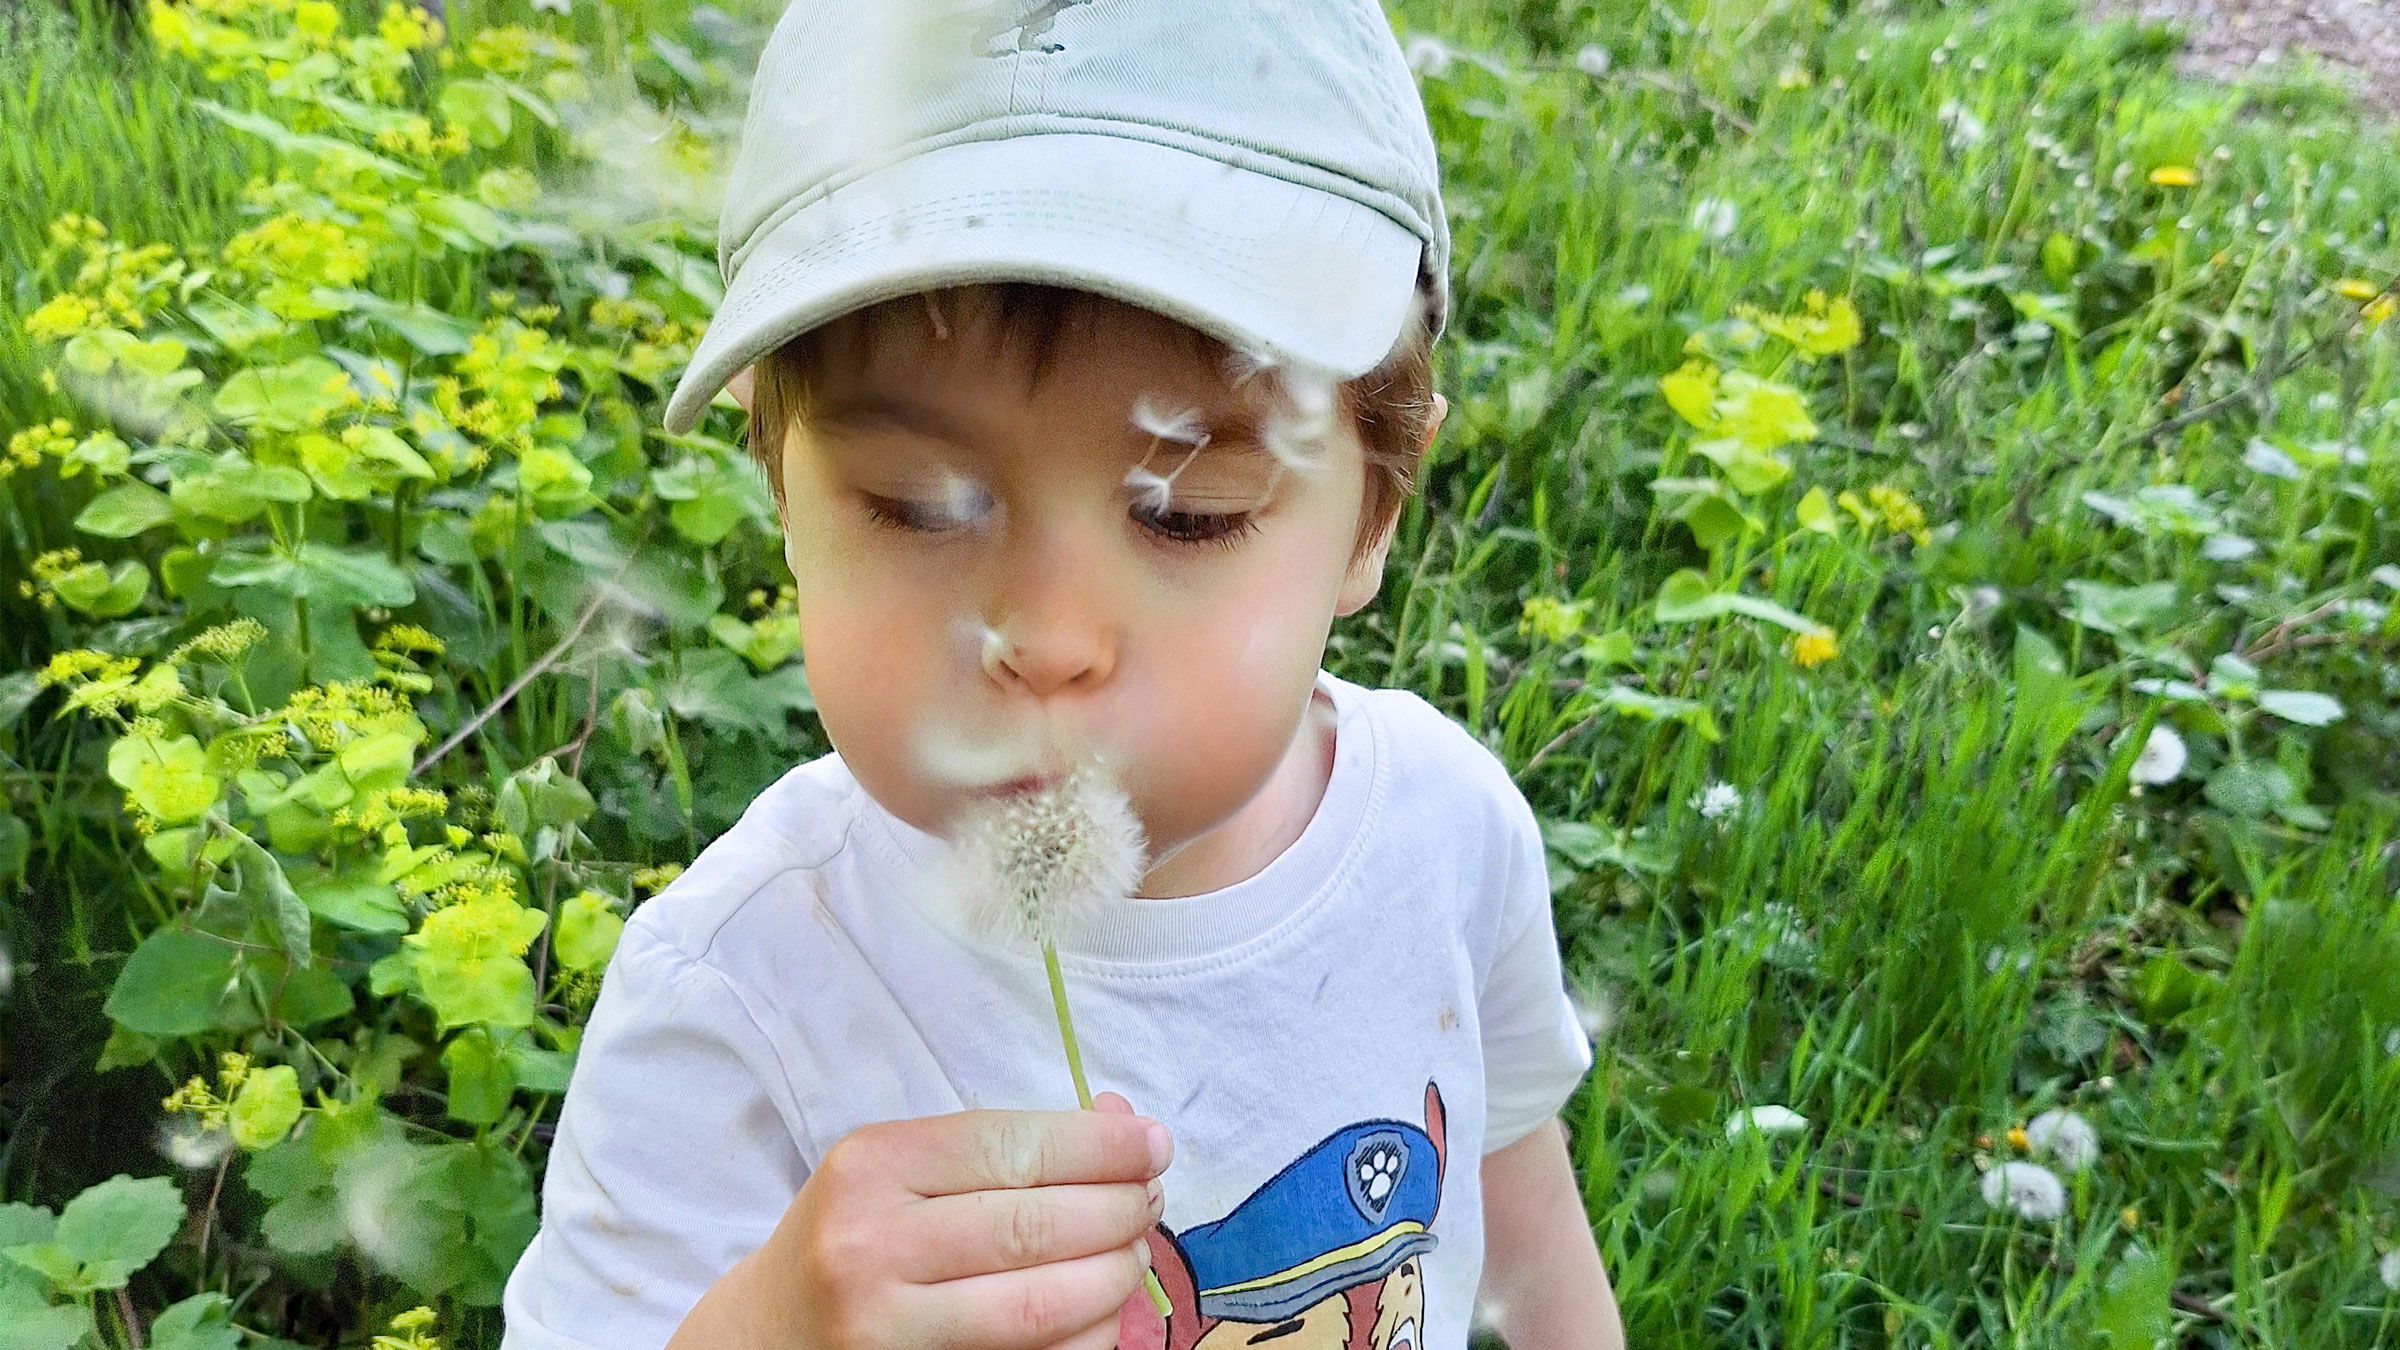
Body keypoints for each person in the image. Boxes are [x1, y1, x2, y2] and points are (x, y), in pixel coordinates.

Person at [501, 2, 1624, 1347]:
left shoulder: (1447, 834)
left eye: (1188, 513)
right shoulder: (737, 995)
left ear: (1374, 515)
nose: (1042, 635)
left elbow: (1523, 1222)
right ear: (780, 486)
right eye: (917, 504)